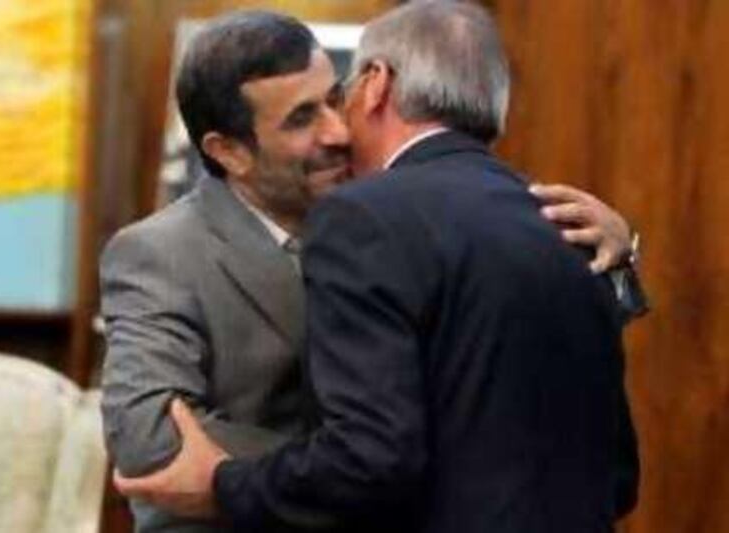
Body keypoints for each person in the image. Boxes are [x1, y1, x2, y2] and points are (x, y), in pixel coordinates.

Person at [103, 6, 642, 532]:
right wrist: (418, 450)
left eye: (336, 97)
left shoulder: (409, 216)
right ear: (230, 152)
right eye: (301, 118)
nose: (338, 131)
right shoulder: (158, 252)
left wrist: (621, 261)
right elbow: (149, 445)